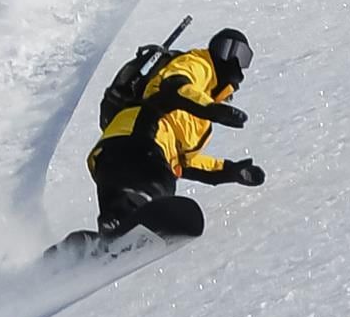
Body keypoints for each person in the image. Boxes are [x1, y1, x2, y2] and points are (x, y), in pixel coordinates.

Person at [87, 25, 263, 241]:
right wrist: (213, 109)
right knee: (159, 184)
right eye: (233, 51)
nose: (237, 63)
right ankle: (132, 217)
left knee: (121, 215)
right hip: (139, 141)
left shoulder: (201, 124)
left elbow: (185, 163)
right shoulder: (199, 64)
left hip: (112, 157)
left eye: (245, 58)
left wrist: (230, 171)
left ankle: (91, 246)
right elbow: (176, 86)